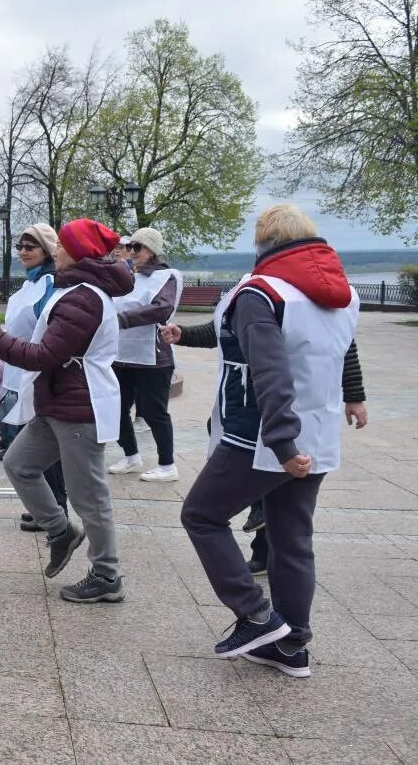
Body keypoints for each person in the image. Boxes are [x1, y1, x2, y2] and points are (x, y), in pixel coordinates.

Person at [177, 204, 359, 678]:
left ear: (265, 243)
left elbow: (269, 371)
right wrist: (353, 399)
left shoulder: (262, 292)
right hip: (316, 430)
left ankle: (256, 616)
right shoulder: (343, 293)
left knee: (201, 514)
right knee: (291, 540)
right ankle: (292, 645)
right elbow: (343, 351)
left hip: (261, 433)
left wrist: (282, 443)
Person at [163, 321, 367, 577]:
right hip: (248, 409)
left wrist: (354, 395)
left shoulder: (286, 296)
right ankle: (264, 556)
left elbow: (344, 344)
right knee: (284, 520)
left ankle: (257, 604)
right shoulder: (252, 290)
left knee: (206, 514)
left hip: (279, 414)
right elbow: (225, 328)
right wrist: (186, 333)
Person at [0, 218, 133, 603]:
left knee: (88, 494)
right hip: (60, 401)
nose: (55, 250)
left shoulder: (82, 297)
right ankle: (61, 532)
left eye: (61, 245)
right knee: (18, 464)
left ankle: (107, 575)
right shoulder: (76, 290)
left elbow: (46, 355)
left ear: (77, 252)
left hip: (79, 406)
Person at [0, 224, 70, 533]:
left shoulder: (50, 282)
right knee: (28, 444)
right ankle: (46, 508)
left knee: (42, 448)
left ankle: (56, 508)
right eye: (21, 246)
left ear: (47, 250)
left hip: (36, 371)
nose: (23, 251)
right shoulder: (28, 285)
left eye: (30, 246)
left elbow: (50, 327)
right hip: (16, 368)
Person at [107, 227, 182, 482]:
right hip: (122, 354)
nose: (131, 252)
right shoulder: (129, 277)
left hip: (153, 358)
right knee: (116, 408)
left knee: (154, 411)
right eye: (130, 247)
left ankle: (167, 464)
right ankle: (131, 455)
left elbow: (161, 309)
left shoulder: (167, 277)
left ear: (152, 250)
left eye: (137, 247)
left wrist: (123, 319)